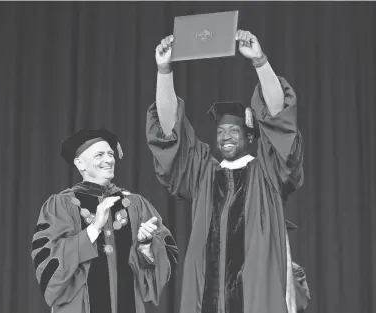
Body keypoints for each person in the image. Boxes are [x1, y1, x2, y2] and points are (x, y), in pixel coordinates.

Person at [146, 29, 308, 313]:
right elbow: (170, 133)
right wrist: (164, 71)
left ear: (250, 136)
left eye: (234, 130)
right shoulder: (204, 174)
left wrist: (260, 62)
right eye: (221, 131)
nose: (226, 137)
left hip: (256, 297)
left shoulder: (267, 173)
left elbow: (281, 122)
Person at [31, 127, 178, 313]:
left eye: (110, 153)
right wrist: (93, 229)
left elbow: (167, 255)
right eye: (99, 155)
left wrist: (146, 247)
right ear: (80, 163)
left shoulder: (136, 204)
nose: (109, 160)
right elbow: (49, 260)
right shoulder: (61, 206)